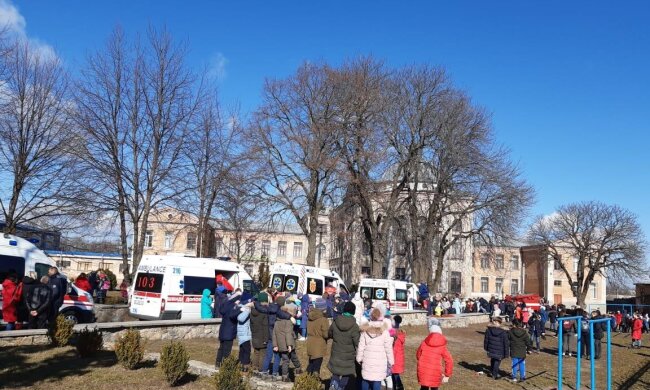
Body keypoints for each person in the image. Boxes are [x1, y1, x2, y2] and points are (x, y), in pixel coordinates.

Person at [357, 308, 394, 390]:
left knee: (365, 379)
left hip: (367, 360)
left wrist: (359, 358)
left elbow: (361, 346)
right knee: (377, 381)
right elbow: (388, 348)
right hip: (380, 362)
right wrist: (391, 360)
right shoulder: (385, 332)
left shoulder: (365, 330)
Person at [328, 301, 360, 390]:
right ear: (353, 312)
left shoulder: (335, 322)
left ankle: (333, 384)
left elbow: (329, 334)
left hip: (336, 353)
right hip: (348, 356)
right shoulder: (355, 326)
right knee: (347, 372)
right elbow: (357, 342)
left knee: (336, 371)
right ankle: (341, 387)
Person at [417, 318, 453, 390]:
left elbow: (418, 355)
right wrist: (447, 374)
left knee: (424, 387)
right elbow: (449, 360)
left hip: (423, 371)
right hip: (435, 372)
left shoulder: (424, 343)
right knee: (434, 388)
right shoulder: (442, 346)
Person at [273, 304, 302, 382]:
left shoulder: (277, 320)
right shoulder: (288, 321)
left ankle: (284, 376)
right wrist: (289, 345)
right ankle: (298, 369)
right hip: (288, 344)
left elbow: (274, 334)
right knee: (293, 357)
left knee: (285, 360)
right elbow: (288, 334)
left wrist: (275, 345)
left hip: (280, 345)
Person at [215, 291, 241, 367]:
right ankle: (225, 366)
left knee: (221, 348)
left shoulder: (226, 304)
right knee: (227, 350)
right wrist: (239, 310)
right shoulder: (233, 307)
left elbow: (222, 311)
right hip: (229, 331)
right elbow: (232, 316)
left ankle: (218, 363)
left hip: (223, 330)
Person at [306, 301, 330, 377]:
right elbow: (326, 335)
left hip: (310, 343)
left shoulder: (310, 317)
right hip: (319, 344)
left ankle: (306, 381)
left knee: (311, 364)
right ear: (323, 309)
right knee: (317, 367)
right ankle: (314, 384)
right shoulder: (323, 319)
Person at [250, 292, 270, 374]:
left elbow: (251, 324)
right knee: (263, 353)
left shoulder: (252, 311)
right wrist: (266, 338)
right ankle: (261, 368)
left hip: (254, 334)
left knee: (256, 352)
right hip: (262, 336)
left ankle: (255, 366)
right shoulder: (264, 312)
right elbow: (265, 326)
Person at [237, 294, 253, 372]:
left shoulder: (240, 307)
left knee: (242, 349)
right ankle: (245, 365)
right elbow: (240, 318)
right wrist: (247, 311)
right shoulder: (245, 309)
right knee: (247, 350)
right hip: (244, 333)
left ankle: (241, 363)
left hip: (242, 333)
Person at [390, 315, 405, 390]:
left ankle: (399, 386)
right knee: (395, 373)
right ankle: (398, 386)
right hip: (399, 357)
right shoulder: (401, 333)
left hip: (394, 356)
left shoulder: (392, 333)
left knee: (394, 374)